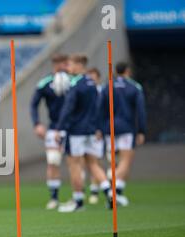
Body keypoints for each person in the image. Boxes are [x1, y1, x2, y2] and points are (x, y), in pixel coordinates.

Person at [55, 54, 112, 212]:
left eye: (71, 64)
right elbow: (98, 109)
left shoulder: (76, 84)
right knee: (92, 163)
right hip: (92, 131)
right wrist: (98, 128)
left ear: (80, 65)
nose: (68, 67)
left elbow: (68, 108)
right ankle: (109, 191)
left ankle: (78, 201)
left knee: (74, 165)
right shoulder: (92, 84)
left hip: (76, 132)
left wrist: (59, 128)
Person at [98, 62, 147, 206]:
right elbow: (141, 111)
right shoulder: (134, 87)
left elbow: (99, 108)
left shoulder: (107, 86)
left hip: (109, 129)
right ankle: (112, 190)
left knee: (113, 162)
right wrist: (141, 130)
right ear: (128, 71)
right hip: (126, 128)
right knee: (126, 161)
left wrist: (99, 128)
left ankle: (116, 193)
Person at [30, 53, 69, 210]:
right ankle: (54, 197)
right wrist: (37, 123)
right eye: (60, 64)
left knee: (80, 162)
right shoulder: (45, 83)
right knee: (53, 161)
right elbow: (34, 104)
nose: (63, 67)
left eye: (65, 64)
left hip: (75, 128)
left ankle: (84, 195)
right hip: (54, 128)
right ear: (55, 65)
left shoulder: (74, 81)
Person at [86, 67, 103, 204]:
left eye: (93, 76)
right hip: (84, 131)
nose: (91, 79)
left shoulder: (102, 92)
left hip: (98, 132)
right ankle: (83, 193)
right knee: (81, 162)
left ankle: (95, 190)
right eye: (89, 76)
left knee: (95, 162)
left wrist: (100, 128)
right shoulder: (85, 91)